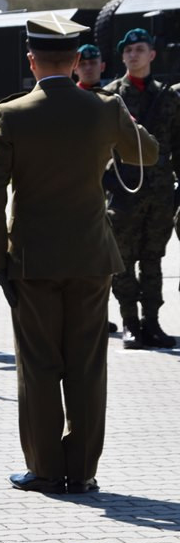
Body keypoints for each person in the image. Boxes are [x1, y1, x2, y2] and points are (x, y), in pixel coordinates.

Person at [0, 13, 159, 495]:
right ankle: (81, 472)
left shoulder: (10, 114)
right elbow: (148, 154)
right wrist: (120, 122)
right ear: (78, 60)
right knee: (86, 366)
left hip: (33, 260)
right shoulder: (104, 108)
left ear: (32, 60)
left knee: (39, 365)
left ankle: (44, 468)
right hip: (90, 256)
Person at [103, 28, 180, 349]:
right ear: (122, 57)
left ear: (152, 55)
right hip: (124, 192)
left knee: (152, 259)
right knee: (122, 260)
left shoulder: (170, 98)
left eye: (139, 49)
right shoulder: (110, 97)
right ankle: (130, 323)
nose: (133, 54)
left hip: (160, 193)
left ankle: (152, 323)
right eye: (128, 50)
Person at [75, 43, 120, 333]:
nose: (89, 67)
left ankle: (99, 314)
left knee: (102, 260)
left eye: (94, 63)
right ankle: (84, 317)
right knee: (80, 258)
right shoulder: (70, 100)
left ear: (102, 66)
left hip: (111, 190)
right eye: (83, 63)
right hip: (79, 192)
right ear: (74, 67)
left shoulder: (113, 100)